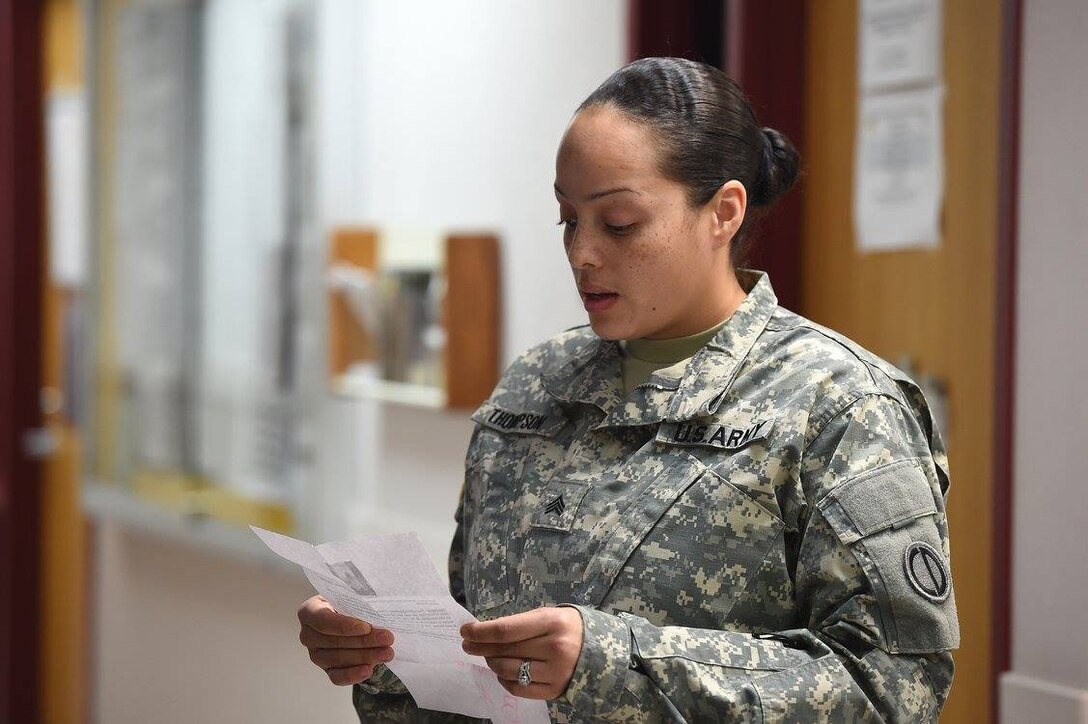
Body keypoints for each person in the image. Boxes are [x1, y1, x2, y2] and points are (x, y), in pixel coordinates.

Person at [298, 56, 959, 722]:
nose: (583, 253)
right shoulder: (533, 388)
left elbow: (892, 689)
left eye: (618, 224)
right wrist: (385, 656)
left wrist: (613, 665)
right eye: (568, 220)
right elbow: (479, 656)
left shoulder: (841, 404)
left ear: (723, 213)